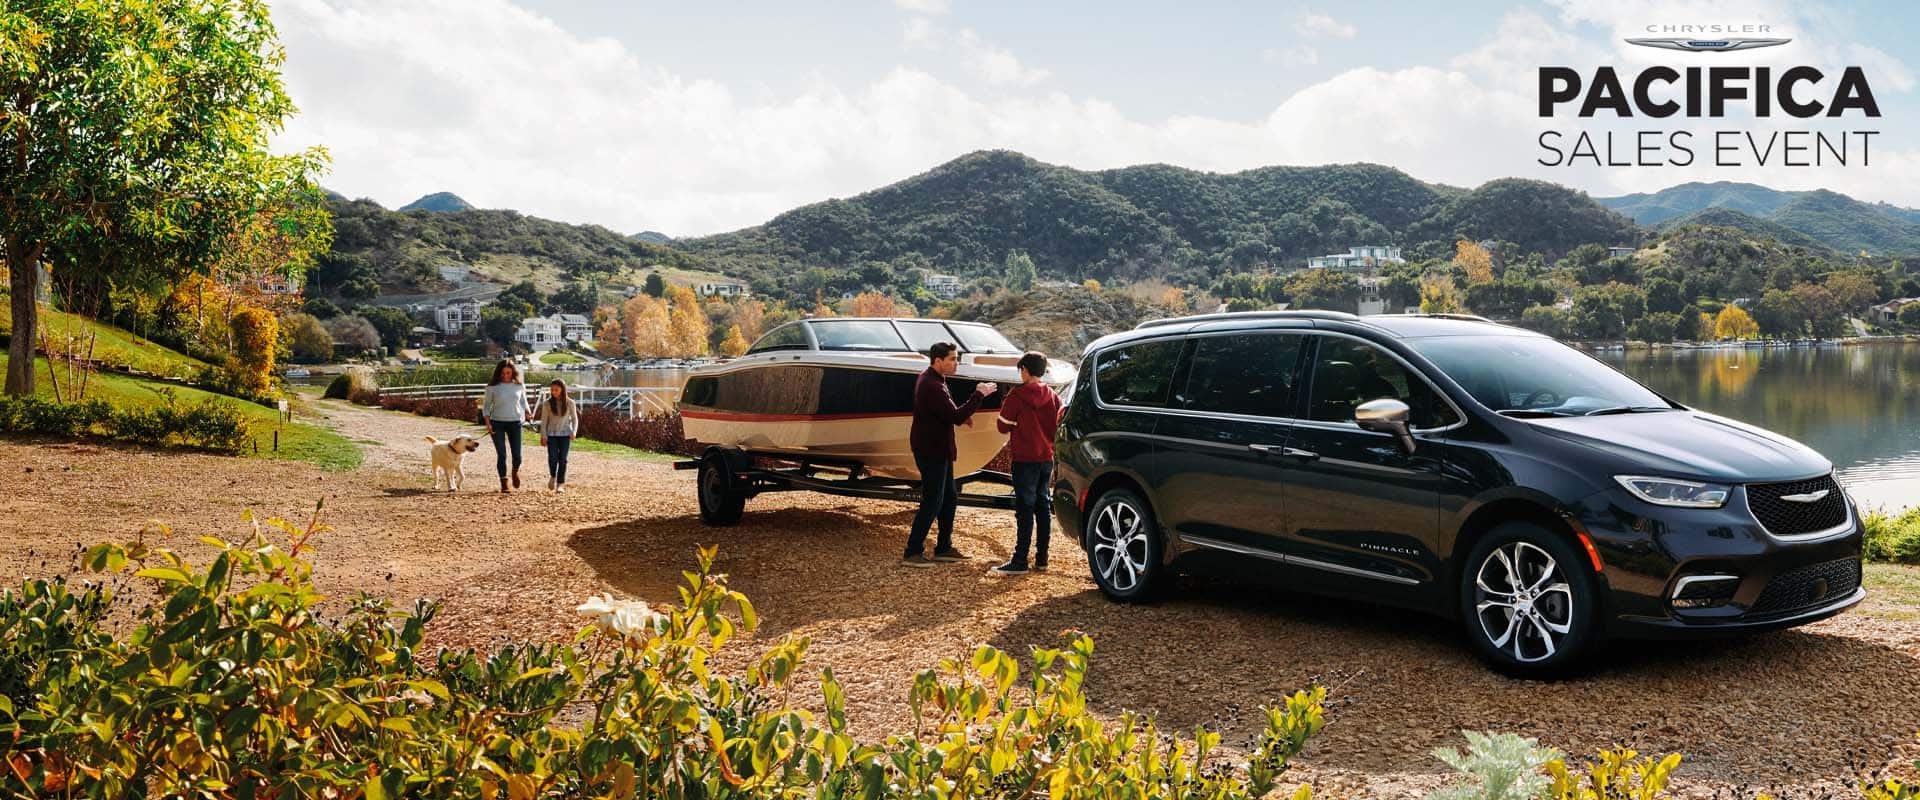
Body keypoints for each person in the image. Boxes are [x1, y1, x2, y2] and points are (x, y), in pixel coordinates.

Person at [904, 342, 996, 567]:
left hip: (939, 449)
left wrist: (962, 415)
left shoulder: (935, 380)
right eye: (952, 359)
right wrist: (978, 394)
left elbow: (947, 413)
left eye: (956, 358)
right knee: (932, 500)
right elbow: (954, 416)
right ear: (938, 361)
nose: (956, 363)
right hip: (931, 450)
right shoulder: (931, 384)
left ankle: (943, 547)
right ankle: (912, 551)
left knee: (949, 497)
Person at [990, 352, 1063, 576]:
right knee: (1043, 506)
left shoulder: (1017, 396)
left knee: (1024, 509)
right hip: (1045, 458)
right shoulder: (1052, 395)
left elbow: (1002, 427)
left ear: (1025, 370)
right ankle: (1042, 558)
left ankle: (1020, 560)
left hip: (1024, 459)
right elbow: (1059, 422)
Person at [481, 359, 532, 493]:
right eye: (502, 373)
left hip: (515, 422)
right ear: (498, 373)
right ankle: (504, 482)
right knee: (502, 454)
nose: (505, 376)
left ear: (513, 372)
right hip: (497, 422)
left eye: (508, 373)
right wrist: (488, 424)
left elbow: (523, 401)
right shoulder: (492, 387)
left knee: (517, 456)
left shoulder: (519, 386)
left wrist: (527, 411)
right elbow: (486, 407)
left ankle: (514, 471)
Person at [537, 379, 578, 493]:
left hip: (565, 435)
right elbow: (544, 421)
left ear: (562, 389)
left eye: (556, 390)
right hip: (552, 435)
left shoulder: (570, 403)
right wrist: (543, 436)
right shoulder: (547, 404)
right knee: (553, 457)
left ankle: (560, 483)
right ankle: (553, 476)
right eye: (552, 390)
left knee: (563, 459)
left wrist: (574, 431)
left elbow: (575, 419)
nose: (554, 392)